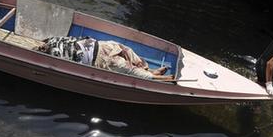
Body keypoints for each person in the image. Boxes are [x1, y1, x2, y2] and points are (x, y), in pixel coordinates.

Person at [36, 36, 174, 81]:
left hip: (101, 46)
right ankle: (158, 78)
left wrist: (45, 42)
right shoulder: (54, 52)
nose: (43, 47)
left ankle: (149, 70)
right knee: (127, 68)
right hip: (99, 59)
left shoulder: (53, 42)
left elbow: (69, 39)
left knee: (127, 50)